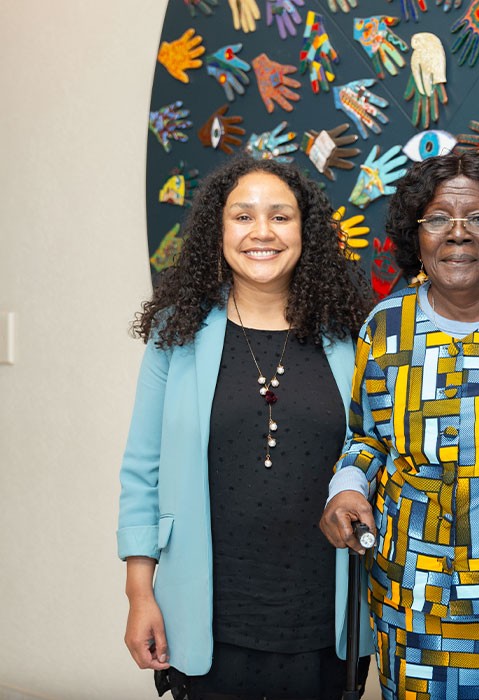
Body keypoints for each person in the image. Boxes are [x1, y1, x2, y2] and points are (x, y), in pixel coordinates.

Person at [319, 152, 479, 699]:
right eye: (438, 219)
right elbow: (367, 437)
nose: (457, 235)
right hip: (418, 605)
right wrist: (347, 487)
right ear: (415, 236)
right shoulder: (385, 327)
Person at [117, 157, 373, 700]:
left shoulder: (351, 336)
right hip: (208, 615)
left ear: (306, 232)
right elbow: (144, 470)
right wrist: (140, 593)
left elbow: (373, 451)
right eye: (243, 216)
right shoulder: (176, 335)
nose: (262, 232)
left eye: (280, 217)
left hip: (324, 616)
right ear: (218, 230)